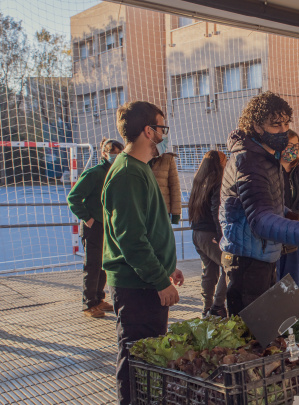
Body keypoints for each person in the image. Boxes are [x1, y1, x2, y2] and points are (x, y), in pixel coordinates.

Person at [219, 91, 299, 316]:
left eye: (287, 123)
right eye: (276, 125)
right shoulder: (249, 162)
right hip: (247, 264)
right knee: (252, 337)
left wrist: (290, 216)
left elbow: (270, 205)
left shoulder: (268, 158)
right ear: (257, 127)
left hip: (264, 258)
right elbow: (261, 220)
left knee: (269, 329)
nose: (284, 131)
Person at [103, 101, 184, 405]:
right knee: (135, 355)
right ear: (148, 131)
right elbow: (131, 239)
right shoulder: (127, 174)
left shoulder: (140, 169)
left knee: (148, 357)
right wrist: (158, 280)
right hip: (137, 286)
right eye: (162, 127)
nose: (164, 133)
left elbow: (148, 228)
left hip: (148, 280)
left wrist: (166, 270)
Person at [67, 137, 124, 318]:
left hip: (110, 227)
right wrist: (87, 218)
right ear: (104, 153)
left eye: (118, 153)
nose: (115, 156)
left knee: (104, 265)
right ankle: (89, 303)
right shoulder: (94, 173)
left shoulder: (118, 172)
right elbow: (73, 198)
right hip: (94, 226)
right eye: (112, 153)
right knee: (92, 266)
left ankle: (99, 298)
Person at [189, 150, 228, 318]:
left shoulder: (199, 180)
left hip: (197, 233)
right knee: (229, 265)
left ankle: (207, 308)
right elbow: (216, 209)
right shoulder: (217, 181)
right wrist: (221, 235)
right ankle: (218, 306)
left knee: (209, 270)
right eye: (225, 161)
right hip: (210, 233)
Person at [277, 130, 299, 288]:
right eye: (289, 145)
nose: (293, 149)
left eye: (296, 146)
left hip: (296, 228)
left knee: (293, 275)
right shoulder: (271, 169)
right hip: (276, 228)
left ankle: (296, 299)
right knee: (276, 276)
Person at [149, 147, 182, 225]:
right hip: (143, 209)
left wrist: (176, 214)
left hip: (162, 210)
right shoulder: (139, 158)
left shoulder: (167, 159)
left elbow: (175, 187)